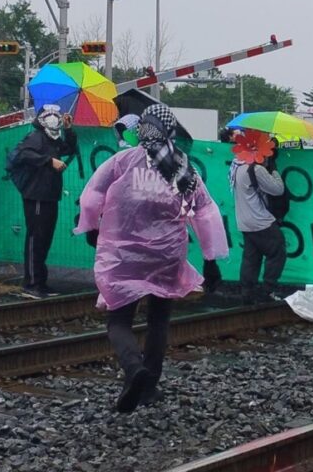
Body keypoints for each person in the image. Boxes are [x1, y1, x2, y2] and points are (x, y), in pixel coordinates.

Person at [75, 104, 227, 413]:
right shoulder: (184, 168)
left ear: (142, 129)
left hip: (122, 255)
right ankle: (150, 386)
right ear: (170, 131)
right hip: (167, 257)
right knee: (159, 319)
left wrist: (90, 226)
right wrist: (211, 260)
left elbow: (91, 196)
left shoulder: (122, 161)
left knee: (119, 319)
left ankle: (134, 368)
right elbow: (206, 212)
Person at [13, 105, 77, 299]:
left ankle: (40, 281)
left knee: (45, 239)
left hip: (50, 194)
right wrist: (49, 161)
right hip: (36, 195)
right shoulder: (35, 137)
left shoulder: (52, 139)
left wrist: (68, 130)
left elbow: (69, 148)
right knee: (36, 238)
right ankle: (32, 283)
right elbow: (23, 154)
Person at [230, 137, 286, 303]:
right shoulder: (256, 169)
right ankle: (267, 290)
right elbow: (278, 190)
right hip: (260, 220)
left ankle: (246, 292)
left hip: (244, 221)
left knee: (251, 257)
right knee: (277, 251)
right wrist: (273, 168)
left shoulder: (236, 166)